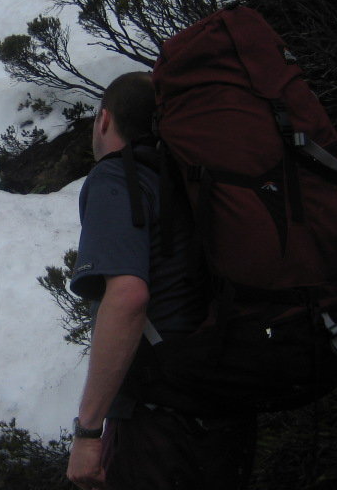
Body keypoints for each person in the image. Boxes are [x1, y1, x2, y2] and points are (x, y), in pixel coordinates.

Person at [66, 72, 257, 490]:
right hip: (228, 404)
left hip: (161, 420)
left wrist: (88, 432)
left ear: (104, 120)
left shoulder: (116, 179)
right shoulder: (196, 178)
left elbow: (128, 297)